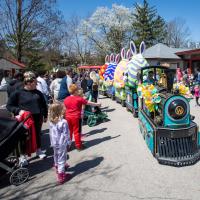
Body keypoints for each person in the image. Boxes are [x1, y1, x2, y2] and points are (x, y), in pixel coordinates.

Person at [7, 71, 48, 162]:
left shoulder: (38, 92)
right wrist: (19, 111)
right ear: (28, 84)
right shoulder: (18, 93)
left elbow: (43, 104)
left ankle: (38, 150)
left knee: (37, 134)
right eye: (34, 84)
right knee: (23, 137)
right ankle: (22, 155)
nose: (36, 86)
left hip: (37, 117)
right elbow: (9, 106)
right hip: (24, 119)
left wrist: (45, 115)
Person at [64, 84, 101, 150]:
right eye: (77, 90)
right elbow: (88, 103)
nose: (78, 91)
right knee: (77, 132)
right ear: (75, 91)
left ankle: (68, 145)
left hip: (68, 117)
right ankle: (78, 146)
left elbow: (65, 108)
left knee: (69, 131)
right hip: (76, 117)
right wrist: (97, 104)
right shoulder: (79, 98)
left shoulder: (66, 99)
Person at [49, 103, 71, 184]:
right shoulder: (63, 122)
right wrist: (69, 142)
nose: (65, 109)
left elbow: (51, 133)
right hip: (62, 143)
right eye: (63, 108)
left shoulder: (51, 121)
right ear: (60, 111)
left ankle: (57, 166)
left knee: (56, 155)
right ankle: (61, 176)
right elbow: (66, 134)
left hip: (54, 143)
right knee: (62, 157)